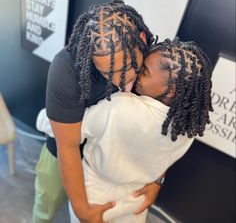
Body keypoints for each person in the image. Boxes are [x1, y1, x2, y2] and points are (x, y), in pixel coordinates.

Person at [34, 0, 163, 223]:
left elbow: (160, 127)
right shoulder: (66, 69)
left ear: (141, 41)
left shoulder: (156, 62)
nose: (118, 81)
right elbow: (68, 147)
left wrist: (156, 180)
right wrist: (81, 209)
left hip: (115, 161)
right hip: (64, 153)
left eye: (125, 68)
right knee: (45, 208)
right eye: (106, 73)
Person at [68, 38, 213, 223]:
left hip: (95, 195)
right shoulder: (186, 126)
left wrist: (45, 119)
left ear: (171, 90)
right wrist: (157, 182)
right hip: (137, 198)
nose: (135, 74)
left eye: (144, 71)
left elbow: (74, 131)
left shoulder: (120, 106)